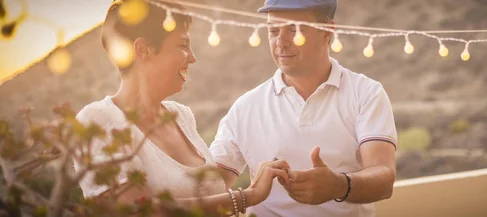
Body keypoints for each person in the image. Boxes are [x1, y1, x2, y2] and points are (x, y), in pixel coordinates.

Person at [73, 1, 290, 216]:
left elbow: (208, 191)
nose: (193, 58)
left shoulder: (181, 116)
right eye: (183, 45)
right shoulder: (97, 121)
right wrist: (247, 197)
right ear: (144, 49)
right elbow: (138, 211)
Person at [208, 0, 398, 216]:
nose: (281, 42)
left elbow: (384, 178)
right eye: (273, 31)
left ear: (327, 31)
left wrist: (338, 185)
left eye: (293, 29)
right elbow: (207, 186)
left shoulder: (366, 93)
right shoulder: (245, 107)